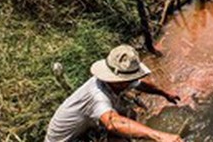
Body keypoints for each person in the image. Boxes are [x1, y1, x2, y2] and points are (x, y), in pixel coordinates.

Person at [45, 45, 183, 142]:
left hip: (83, 129)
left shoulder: (114, 81)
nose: (135, 80)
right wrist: (159, 136)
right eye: (132, 78)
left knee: (131, 115)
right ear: (119, 81)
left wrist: (165, 94)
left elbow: (141, 85)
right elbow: (113, 122)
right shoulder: (98, 96)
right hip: (68, 140)